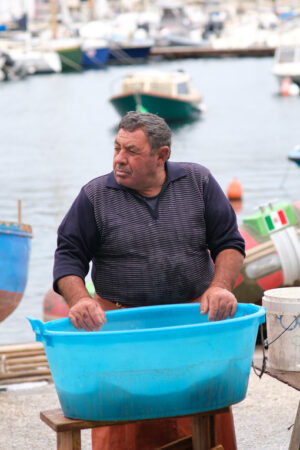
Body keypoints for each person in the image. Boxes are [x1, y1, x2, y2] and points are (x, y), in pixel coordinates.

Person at [53, 111, 245, 450]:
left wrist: (220, 287)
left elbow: (229, 243)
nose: (119, 159)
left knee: (203, 414)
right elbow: (69, 254)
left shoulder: (198, 181)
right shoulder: (95, 196)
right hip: (124, 333)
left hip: (192, 325)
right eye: (116, 148)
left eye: (131, 151)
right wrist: (80, 299)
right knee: (126, 423)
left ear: (162, 155)